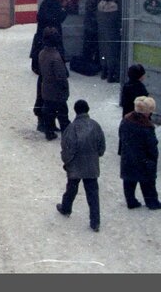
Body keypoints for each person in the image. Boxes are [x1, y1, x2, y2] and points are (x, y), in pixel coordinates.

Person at [56, 99, 106, 232]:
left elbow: (67, 148)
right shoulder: (96, 126)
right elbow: (101, 146)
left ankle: (66, 208)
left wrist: (66, 162)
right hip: (91, 166)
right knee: (93, 193)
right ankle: (95, 221)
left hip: (75, 166)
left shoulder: (71, 128)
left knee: (71, 188)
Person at [119, 95, 161, 211]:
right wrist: (153, 158)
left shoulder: (126, 120)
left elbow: (121, 136)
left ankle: (131, 200)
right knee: (148, 182)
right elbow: (151, 145)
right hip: (144, 158)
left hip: (128, 156)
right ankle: (152, 202)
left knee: (129, 180)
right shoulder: (147, 127)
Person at [37, 26, 70, 140]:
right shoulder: (56, 57)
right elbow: (61, 77)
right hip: (57, 91)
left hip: (46, 88)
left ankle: (49, 132)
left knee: (49, 112)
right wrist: (65, 88)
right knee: (63, 113)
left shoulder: (42, 53)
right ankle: (66, 133)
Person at [96, 0, 123, 83]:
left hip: (101, 32)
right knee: (113, 52)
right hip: (112, 33)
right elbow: (118, 19)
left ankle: (104, 72)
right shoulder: (115, 6)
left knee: (103, 51)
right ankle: (111, 74)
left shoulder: (100, 4)